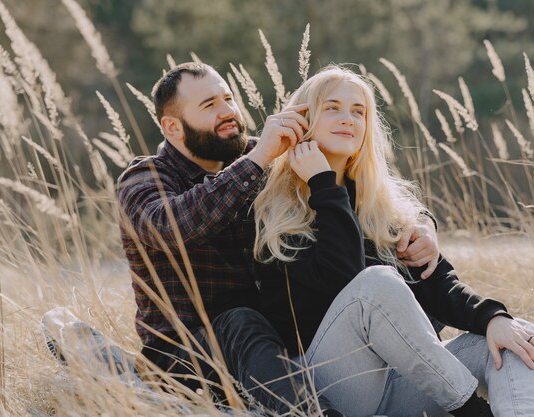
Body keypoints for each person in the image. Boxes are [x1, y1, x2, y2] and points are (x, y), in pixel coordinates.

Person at [116, 62, 440, 415]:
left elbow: (356, 178)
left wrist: (422, 225)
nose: (228, 112)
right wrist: (258, 159)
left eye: (229, 99)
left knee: (408, 286)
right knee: (240, 320)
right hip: (185, 358)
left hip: (273, 351)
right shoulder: (144, 177)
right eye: (209, 106)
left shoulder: (263, 157)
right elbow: (169, 227)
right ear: (172, 127)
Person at [253, 66, 534, 417]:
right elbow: (342, 277)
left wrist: (491, 317)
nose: (348, 118)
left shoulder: (380, 205)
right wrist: (322, 183)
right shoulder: (273, 209)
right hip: (327, 389)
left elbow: (436, 280)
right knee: (375, 283)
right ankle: (473, 411)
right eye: (332, 107)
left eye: (358, 111)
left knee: (519, 336)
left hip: (397, 382)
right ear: (301, 120)